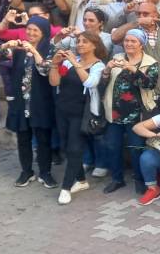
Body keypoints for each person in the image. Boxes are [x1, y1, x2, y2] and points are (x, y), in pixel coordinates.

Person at [0, 16, 57, 188]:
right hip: (20, 102)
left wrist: (34, 51)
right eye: (29, 29)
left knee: (43, 139)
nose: (31, 33)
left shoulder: (51, 49)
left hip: (40, 102)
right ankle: (26, 171)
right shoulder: (19, 49)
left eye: (35, 30)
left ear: (44, 33)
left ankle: (45, 173)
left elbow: (46, 70)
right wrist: (5, 46)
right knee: (23, 138)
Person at [48, 32, 107, 205]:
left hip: (81, 113)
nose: (80, 44)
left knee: (75, 148)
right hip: (63, 109)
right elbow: (54, 82)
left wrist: (75, 63)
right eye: (78, 41)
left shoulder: (98, 65)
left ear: (94, 45)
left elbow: (90, 83)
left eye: (85, 42)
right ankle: (81, 180)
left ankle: (66, 188)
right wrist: (54, 64)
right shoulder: (67, 62)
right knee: (66, 146)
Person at [101, 29, 159, 194]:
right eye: (126, 41)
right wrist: (107, 70)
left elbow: (149, 84)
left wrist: (132, 69)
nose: (128, 44)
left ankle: (139, 179)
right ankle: (117, 179)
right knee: (113, 146)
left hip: (137, 114)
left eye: (133, 41)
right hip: (115, 112)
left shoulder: (150, 62)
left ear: (141, 44)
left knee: (136, 148)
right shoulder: (117, 58)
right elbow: (103, 83)